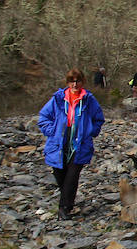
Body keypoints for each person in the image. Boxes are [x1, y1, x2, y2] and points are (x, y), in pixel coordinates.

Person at [37, 68, 105, 219]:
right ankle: (68, 201)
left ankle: (63, 208)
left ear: (82, 82)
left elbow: (98, 119)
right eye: (72, 81)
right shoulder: (58, 99)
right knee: (59, 173)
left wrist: (90, 131)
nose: (75, 84)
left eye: (78, 81)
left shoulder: (89, 99)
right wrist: (52, 131)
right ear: (67, 83)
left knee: (72, 175)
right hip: (59, 140)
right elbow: (43, 117)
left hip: (80, 142)